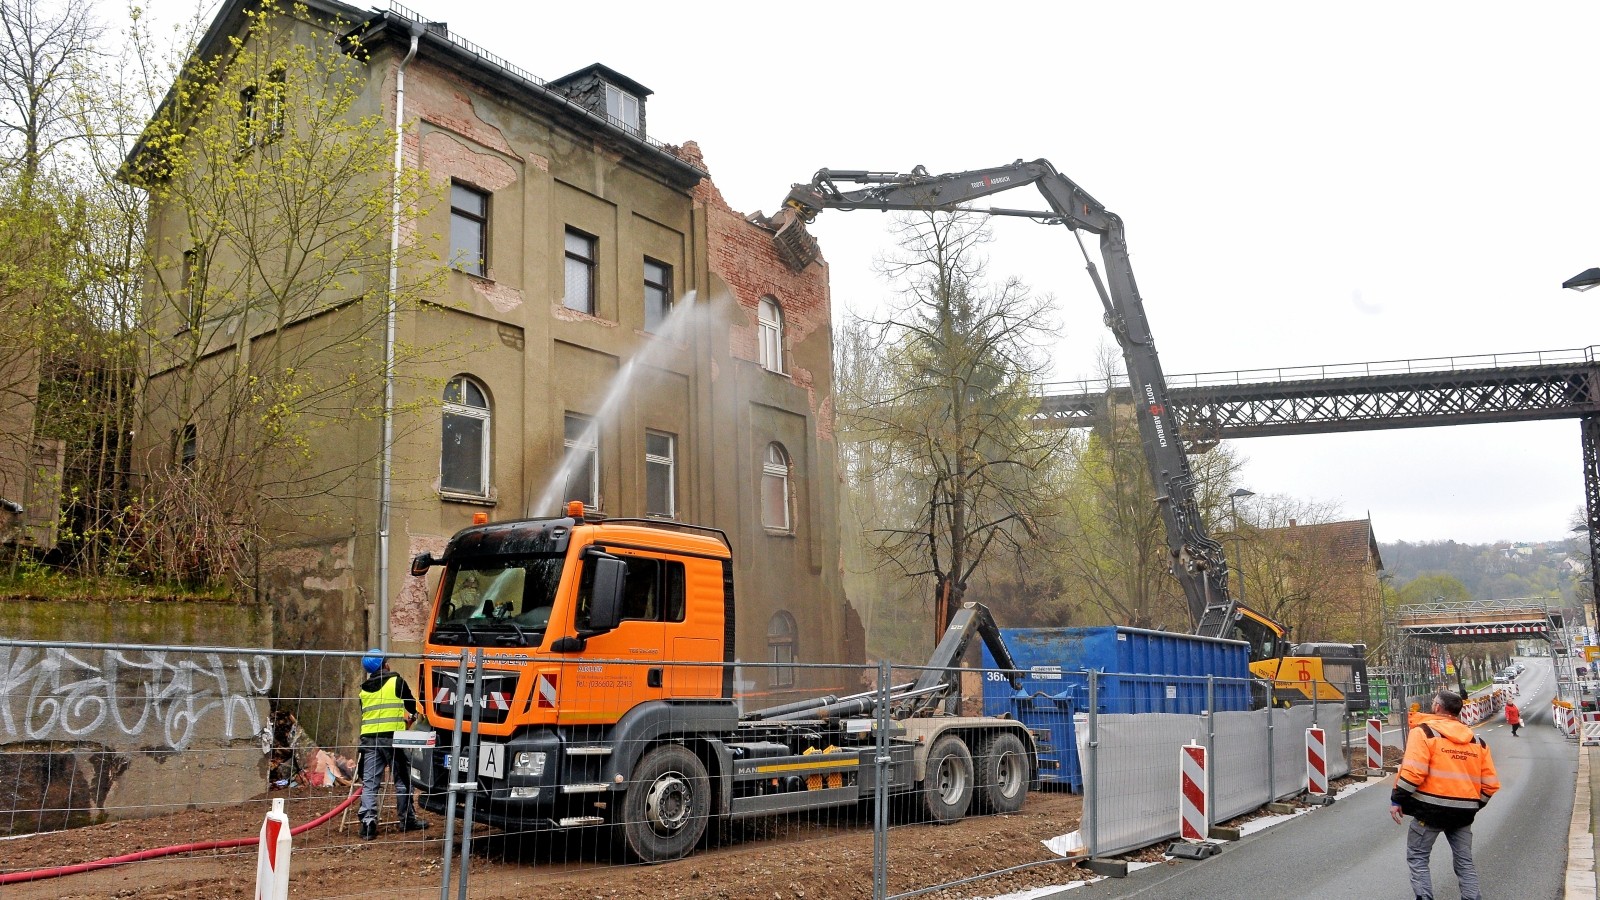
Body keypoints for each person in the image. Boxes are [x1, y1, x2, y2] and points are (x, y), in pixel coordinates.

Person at [1390, 690, 1500, 900]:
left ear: (1437, 708)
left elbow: (1414, 772)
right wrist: (1474, 805)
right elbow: (1490, 785)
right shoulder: (1478, 742)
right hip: (1463, 813)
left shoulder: (1424, 733)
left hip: (1429, 811)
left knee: (1418, 857)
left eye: (1433, 703)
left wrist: (1397, 799)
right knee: (1464, 862)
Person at [357, 649, 429, 841]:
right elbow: (412, 706)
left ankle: (368, 823)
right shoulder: (396, 681)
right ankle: (407, 819)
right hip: (392, 740)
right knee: (403, 781)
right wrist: (412, 717)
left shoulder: (363, 689)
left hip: (369, 740)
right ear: (385, 665)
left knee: (370, 783)